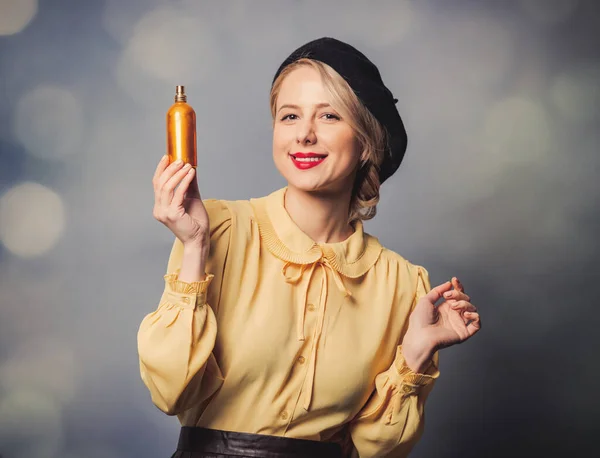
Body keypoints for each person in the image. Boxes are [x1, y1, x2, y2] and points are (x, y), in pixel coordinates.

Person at [138, 37, 481, 458]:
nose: (304, 134)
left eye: (330, 116)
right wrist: (193, 248)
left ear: (366, 141)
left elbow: (376, 449)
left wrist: (415, 353)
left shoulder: (402, 284)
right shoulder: (216, 229)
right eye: (289, 116)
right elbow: (170, 392)